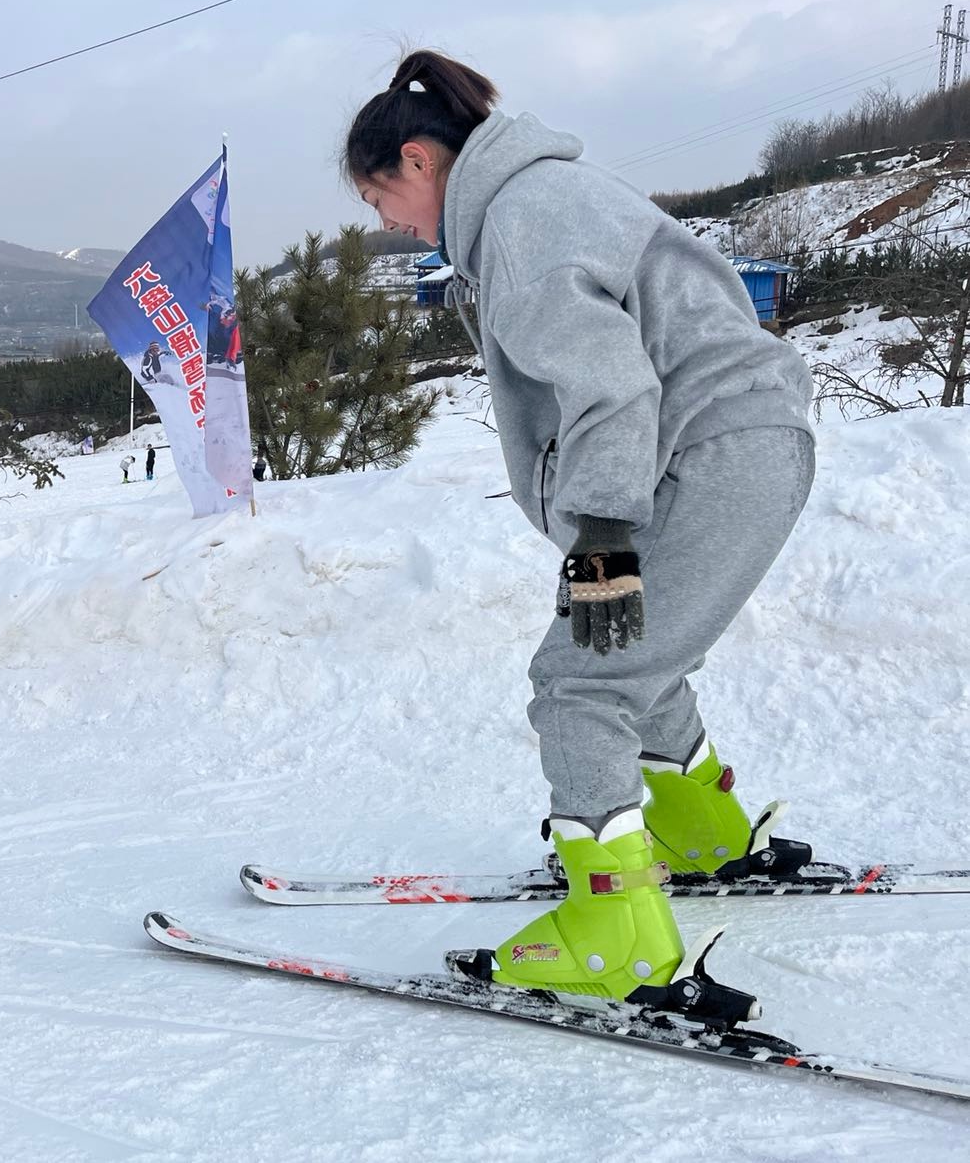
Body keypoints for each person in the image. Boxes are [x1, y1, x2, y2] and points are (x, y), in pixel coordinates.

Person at [345, 50, 815, 1016]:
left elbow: (612, 384)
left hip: (710, 450)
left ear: (422, 164)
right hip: (736, 441)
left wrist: (602, 537)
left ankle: (615, 933)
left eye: (378, 197)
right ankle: (699, 835)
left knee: (580, 680)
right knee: (629, 650)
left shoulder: (519, 222)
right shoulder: (542, 196)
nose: (385, 223)